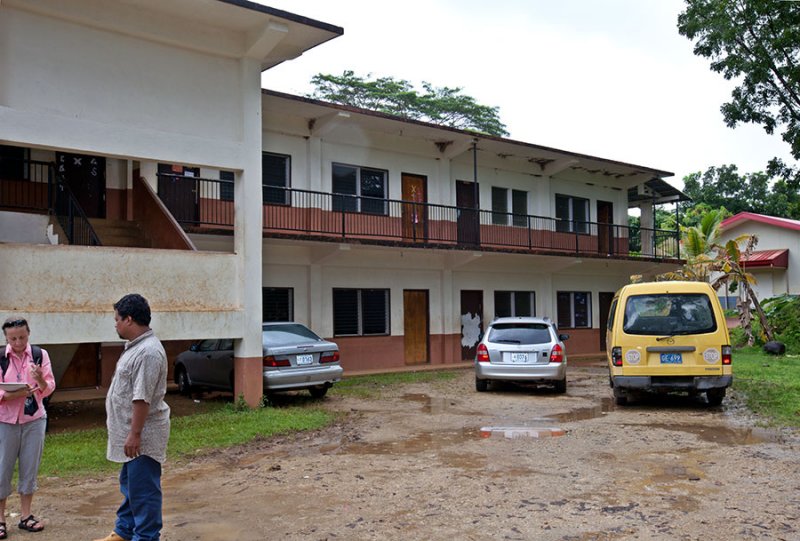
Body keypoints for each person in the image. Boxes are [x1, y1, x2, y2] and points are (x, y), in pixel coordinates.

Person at [94, 294, 170, 541]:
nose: (115, 324)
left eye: (117, 319)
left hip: (142, 437)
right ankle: (123, 532)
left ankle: (145, 537)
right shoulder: (137, 347)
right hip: (131, 434)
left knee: (144, 493)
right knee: (131, 487)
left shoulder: (148, 353)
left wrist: (135, 434)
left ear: (129, 319)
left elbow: (142, 398)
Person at [0, 317, 55, 537]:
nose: (18, 342)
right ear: (6, 337)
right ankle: (1, 519)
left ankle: (26, 516)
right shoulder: (0, 358)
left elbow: (49, 387)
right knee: (2, 469)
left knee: (29, 468)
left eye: (22, 337)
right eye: (13, 338)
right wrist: (14, 394)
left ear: (29, 333)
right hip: (5, 421)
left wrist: (40, 380)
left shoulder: (40, 355)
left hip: (34, 420)